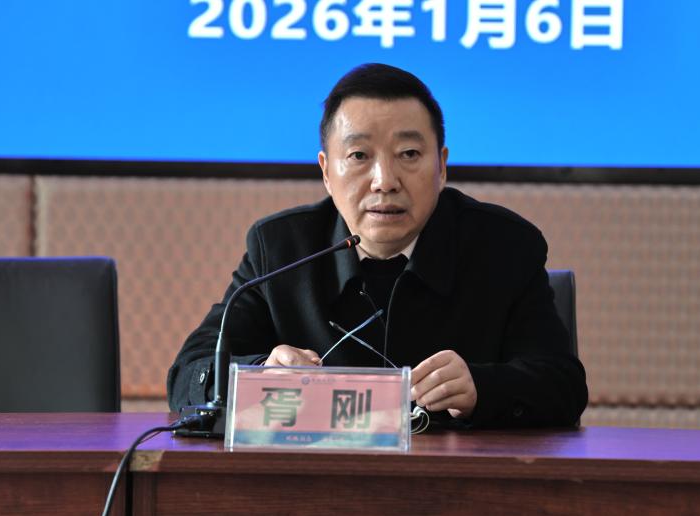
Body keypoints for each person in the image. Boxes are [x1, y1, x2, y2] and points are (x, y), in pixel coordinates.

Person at [166, 63, 586, 428]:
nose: (385, 180)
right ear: (326, 171)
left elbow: (563, 385)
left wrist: (482, 388)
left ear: (441, 166)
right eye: (359, 156)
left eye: (409, 153)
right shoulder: (280, 250)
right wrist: (261, 373)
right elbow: (189, 373)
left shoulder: (504, 248)